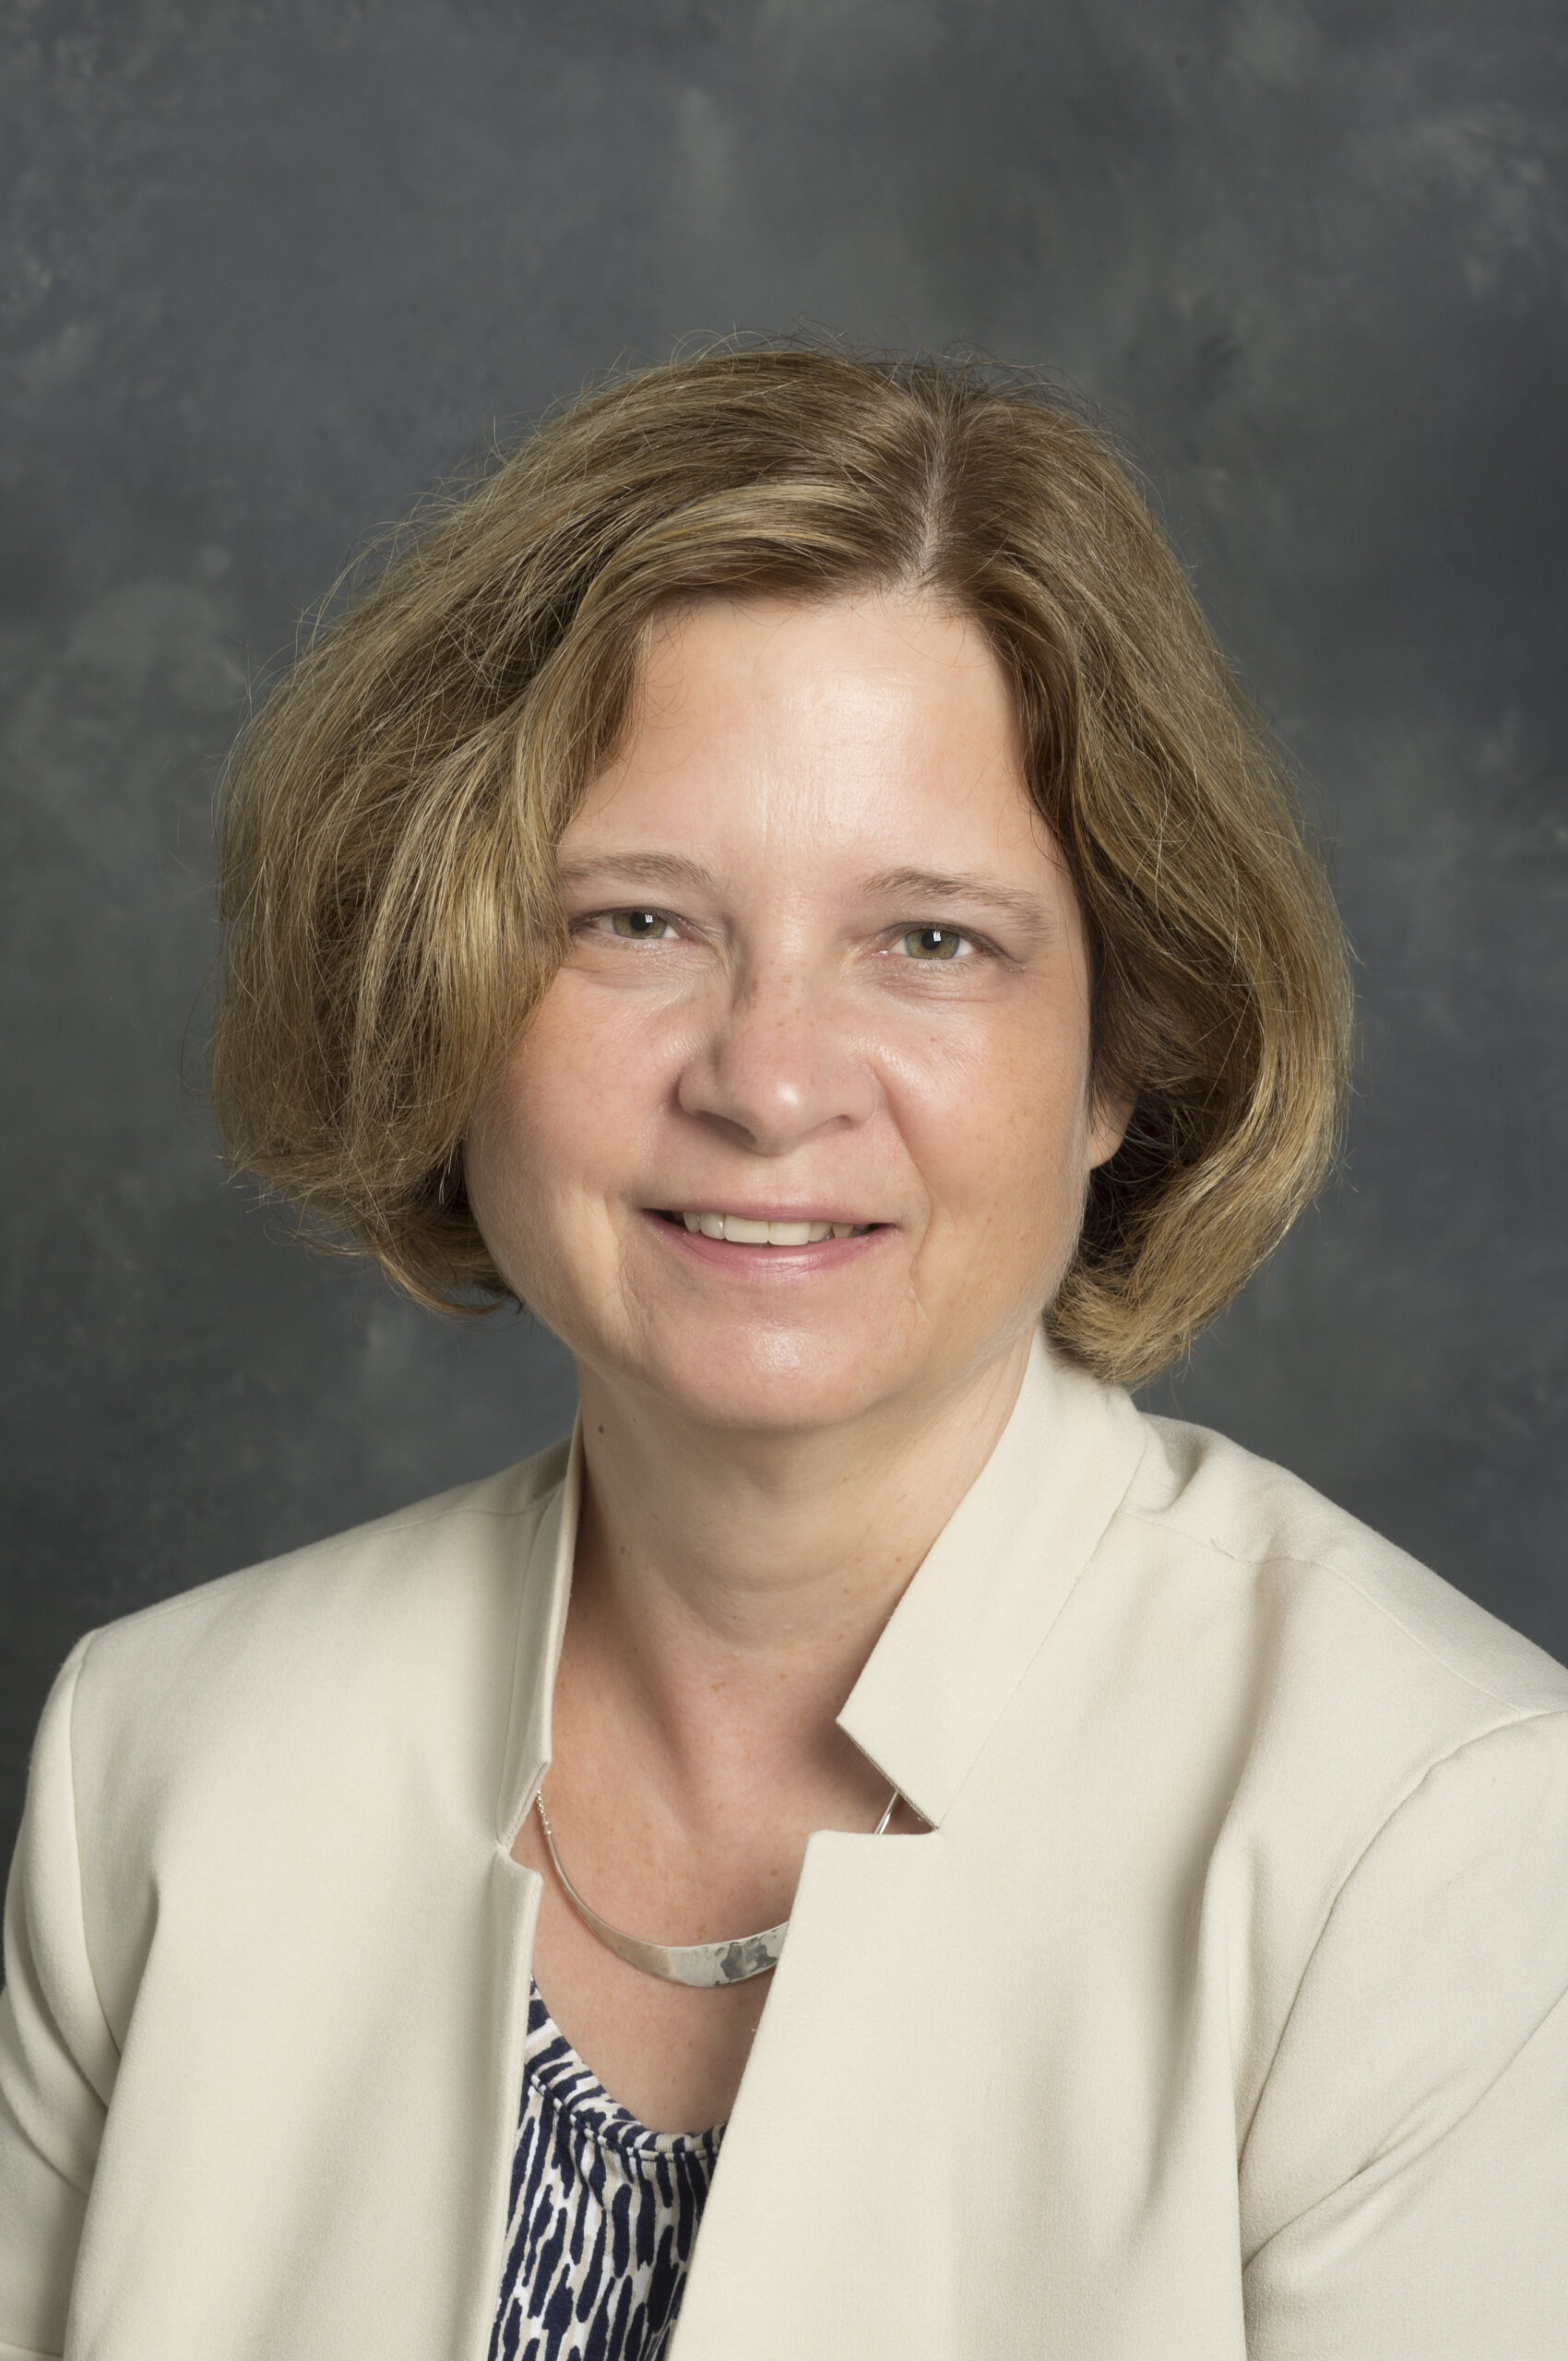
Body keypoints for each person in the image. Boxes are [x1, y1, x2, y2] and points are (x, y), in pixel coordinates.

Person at [2, 347, 1564, 2361]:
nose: (768, 1078)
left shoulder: (1432, 1834)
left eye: (930, 940)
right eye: (634, 921)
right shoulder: (160, 1757)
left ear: (1125, 1058)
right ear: (444, 977)